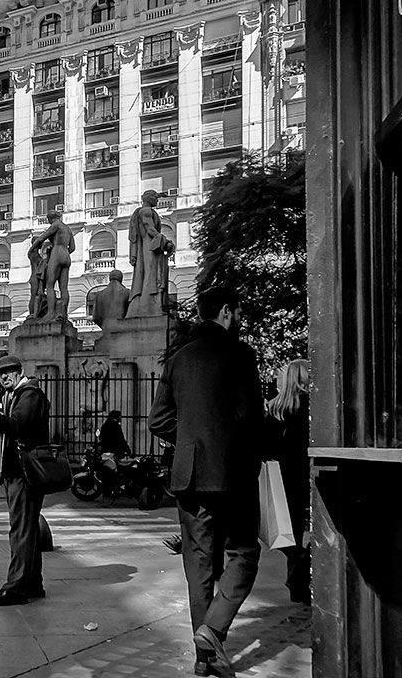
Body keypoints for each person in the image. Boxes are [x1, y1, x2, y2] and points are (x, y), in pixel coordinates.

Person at [148, 286, 265, 678]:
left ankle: (204, 659)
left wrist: (190, 442)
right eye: (238, 312)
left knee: (199, 567)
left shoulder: (178, 360)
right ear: (227, 311)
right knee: (244, 554)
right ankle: (212, 631)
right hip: (233, 474)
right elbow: (251, 418)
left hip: (189, 477)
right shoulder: (241, 354)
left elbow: (158, 421)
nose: (240, 319)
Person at [0, 355, 50, 606]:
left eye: (9, 372)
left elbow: (20, 427)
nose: (4, 377)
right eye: (0, 374)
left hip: (24, 474)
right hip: (20, 472)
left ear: (20, 372)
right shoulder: (18, 396)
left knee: (20, 530)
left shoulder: (29, 394)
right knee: (28, 528)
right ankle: (33, 583)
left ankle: (15, 588)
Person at [265, 358, 311, 605]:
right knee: (301, 531)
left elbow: (265, 446)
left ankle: (297, 580)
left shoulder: (274, 409)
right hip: (304, 473)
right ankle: (300, 574)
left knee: (288, 533)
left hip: (280, 475)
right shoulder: (311, 408)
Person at [127, 189, 175, 317]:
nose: (157, 199)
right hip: (151, 247)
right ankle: (151, 305)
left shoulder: (141, 212)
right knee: (153, 274)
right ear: (148, 198)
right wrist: (166, 241)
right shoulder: (146, 211)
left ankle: (148, 304)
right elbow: (150, 229)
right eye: (155, 197)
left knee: (148, 274)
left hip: (147, 247)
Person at [27, 211, 75, 321]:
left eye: (48, 219)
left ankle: (51, 313)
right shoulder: (68, 229)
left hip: (57, 253)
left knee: (50, 285)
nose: (48, 222)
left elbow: (41, 238)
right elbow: (72, 247)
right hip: (66, 256)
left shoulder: (56, 225)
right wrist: (64, 252)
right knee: (64, 288)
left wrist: (31, 249)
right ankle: (63, 314)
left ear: (51, 218)